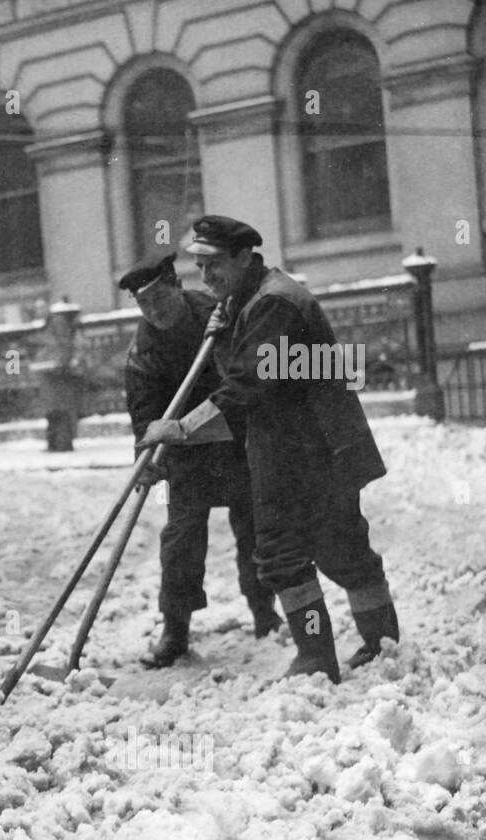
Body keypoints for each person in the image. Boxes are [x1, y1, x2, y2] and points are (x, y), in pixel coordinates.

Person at [137, 215, 398, 684]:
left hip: (309, 451)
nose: (207, 276)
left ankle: (320, 657)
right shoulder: (254, 298)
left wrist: (178, 429)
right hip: (299, 446)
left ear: (244, 257)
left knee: (289, 551)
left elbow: (243, 392)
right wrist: (229, 316)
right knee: (338, 547)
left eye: (215, 264)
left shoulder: (273, 304)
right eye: (200, 266)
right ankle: (379, 644)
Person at [120, 251, 279, 667]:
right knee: (181, 539)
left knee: (255, 529)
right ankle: (175, 629)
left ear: (177, 286)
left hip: (235, 439)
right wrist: (146, 454)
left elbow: (250, 369)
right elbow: (144, 413)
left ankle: (266, 613)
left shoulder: (218, 314)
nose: (154, 311)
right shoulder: (144, 351)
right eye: (144, 304)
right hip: (187, 453)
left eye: (160, 298)